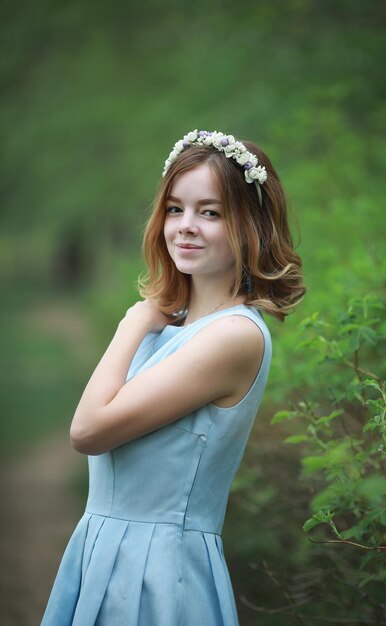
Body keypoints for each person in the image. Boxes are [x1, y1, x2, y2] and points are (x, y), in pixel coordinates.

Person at [41, 129, 305, 626]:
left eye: (210, 212)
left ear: (249, 225)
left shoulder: (233, 336)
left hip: (158, 569)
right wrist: (151, 320)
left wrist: (133, 321)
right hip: (103, 549)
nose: (186, 226)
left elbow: (88, 430)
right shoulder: (178, 327)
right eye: (175, 209)